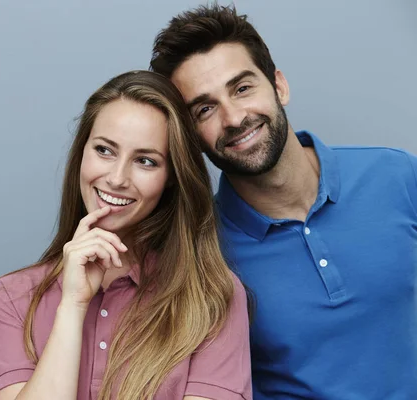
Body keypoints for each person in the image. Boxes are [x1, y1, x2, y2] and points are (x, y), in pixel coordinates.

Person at [150, 4, 417, 400]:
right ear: (190, 136)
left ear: (279, 86)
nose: (234, 117)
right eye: (205, 109)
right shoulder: (200, 252)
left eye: (242, 88)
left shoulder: (398, 175)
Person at [0, 70, 252, 400]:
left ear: (172, 178)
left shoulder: (211, 298)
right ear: (81, 153)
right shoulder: (10, 299)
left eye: (146, 161)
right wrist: (73, 306)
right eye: (105, 150)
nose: (117, 178)